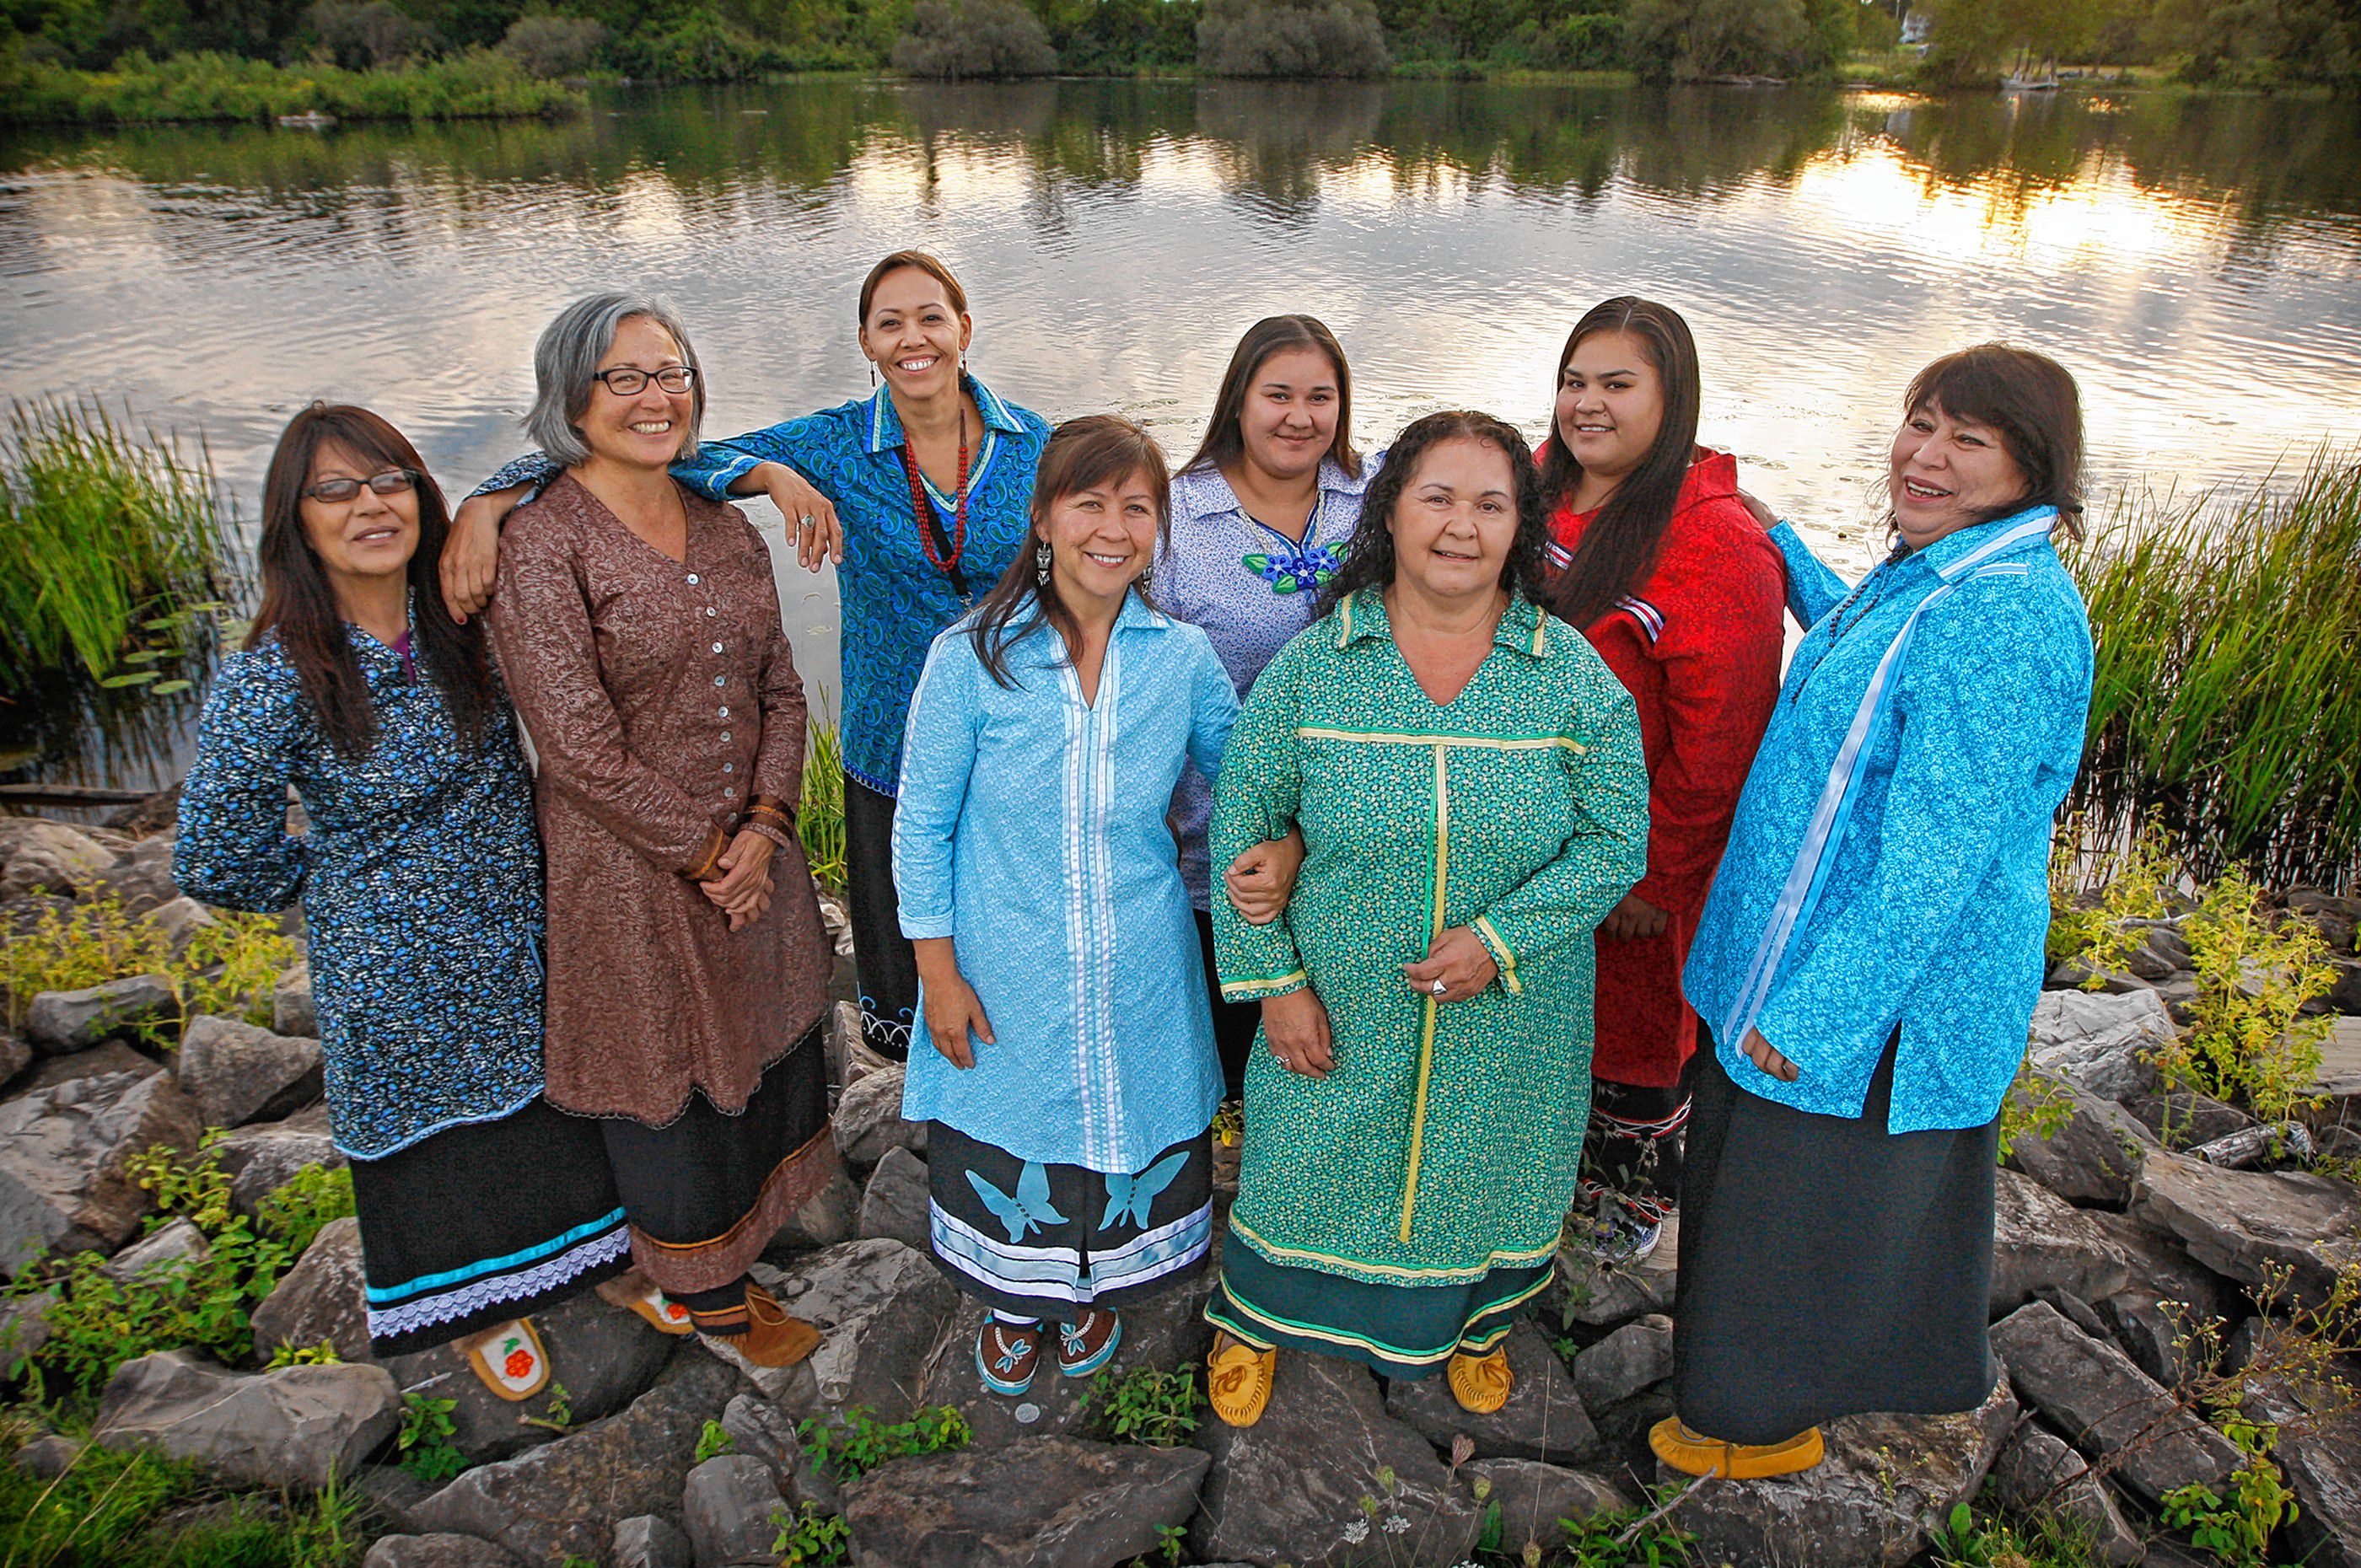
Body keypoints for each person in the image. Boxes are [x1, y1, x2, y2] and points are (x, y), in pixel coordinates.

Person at [1656, 344, 2095, 1480]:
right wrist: (1780, 548)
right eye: (1920, 423)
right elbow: (1872, 642)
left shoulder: (2006, 618)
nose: (1926, 455)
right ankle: (1770, 1393)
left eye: (1969, 440)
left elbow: (1935, 864)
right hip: (1815, 949)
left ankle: (1760, 1425)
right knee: (1774, 1184)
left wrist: (1816, 1017)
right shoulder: (1944, 570)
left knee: (1806, 1203)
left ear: (2033, 469)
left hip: (1875, 988)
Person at [448, 250, 1050, 1063]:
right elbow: (668, 447)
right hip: (892, 743)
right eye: (890, 323)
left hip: (1016, 737)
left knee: (1017, 938)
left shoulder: (1032, 443)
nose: (915, 339)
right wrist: (494, 500)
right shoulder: (837, 446)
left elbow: (1095, 534)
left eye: (932, 317)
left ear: (964, 329)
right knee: (909, 971)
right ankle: (916, 1125)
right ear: (866, 343)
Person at [175, 404, 638, 1394]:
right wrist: (340, 892)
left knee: (553, 1106)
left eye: (389, 482)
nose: (369, 505)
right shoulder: (274, 675)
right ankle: (483, 1304)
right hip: (393, 962)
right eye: (335, 491)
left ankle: (598, 1262)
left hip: (519, 924)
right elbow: (214, 855)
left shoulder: (460, 610)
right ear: (295, 523)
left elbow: (566, 447)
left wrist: (483, 509)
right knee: (440, 1146)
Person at [1199, 410, 1649, 1428]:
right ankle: (1255, 1318)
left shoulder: (1568, 674)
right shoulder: (1316, 666)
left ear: (1519, 527)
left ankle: (1474, 1325)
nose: (1461, 525)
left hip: (1512, 1013)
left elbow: (1618, 841)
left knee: (1487, 1168)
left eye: (1490, 504)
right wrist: (1276, 988)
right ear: (1390, 514)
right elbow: (1244, 832)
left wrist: (1499, 940)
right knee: (1304, 1161)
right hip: (1339, 1005)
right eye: (1436, 498)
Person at [484, 293, 838, 1366]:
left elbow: (784, 690)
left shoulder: (727, 525)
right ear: (572, 399)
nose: (655, 397)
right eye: (623, 377)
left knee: (761, 1037)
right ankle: (703, 1290)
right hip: (628, 869)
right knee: (668, 1070)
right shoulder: (540, 543)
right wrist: (700, 853)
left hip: (749, 845)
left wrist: (766, 830)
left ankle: (745, 1243)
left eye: (670, 372)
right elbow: (575, 747)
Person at [893, 414, 1242, 1396]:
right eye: (1089, 502)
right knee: (1017, 1123)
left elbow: (1247, 782)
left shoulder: (1181, 659)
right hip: (1004, 961)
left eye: (1137, 507)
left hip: (1138, 950)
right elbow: (920, 829)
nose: (1113, 528)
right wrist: (938, 976)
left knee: (1124, 1116)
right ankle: (1015, 1299)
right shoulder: (972, 657)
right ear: (1044, 519)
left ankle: (1091, 1294)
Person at [1536, 298, 1785, 1266]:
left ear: (1671, 397)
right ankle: (1529, 1178)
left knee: (1631, 1029)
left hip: (1630, 860)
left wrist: (1657, 875)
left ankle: (1625, 1212)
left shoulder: (1714, 540)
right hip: (1524, 842)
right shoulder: (1537, 489)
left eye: (1615, 384)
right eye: (1573, 381)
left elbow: (1721, 742)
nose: (1586, 405)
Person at [1157, 315, 1366, 1098]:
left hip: (1352, 820)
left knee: (1332, 1040)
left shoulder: (1376, 498)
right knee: (1226, 1029)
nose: (1299, 417)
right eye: (1277, 394)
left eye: (1321, 397)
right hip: (1214, 826)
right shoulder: (1176, 517)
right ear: (1238, 400)